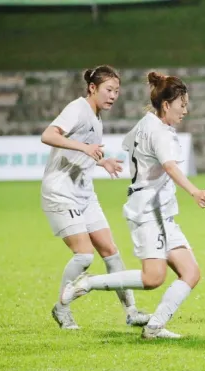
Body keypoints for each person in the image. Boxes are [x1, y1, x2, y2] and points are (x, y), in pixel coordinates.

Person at [59, 71, 205, 340]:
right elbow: (168, 165)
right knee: (153, 278)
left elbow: (130, 145)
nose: (185, 110)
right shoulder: (160, 132)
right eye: (182, 104)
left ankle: (153, 328)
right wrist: (193, 191)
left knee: (191, 272)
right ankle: (89, 282)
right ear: (166, 105)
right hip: (149, 210)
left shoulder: (146, 123)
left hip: (159, 209)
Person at [41, 65, 150, 330]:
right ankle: (62, 308)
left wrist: (102, 162)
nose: (113, 96)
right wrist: (86, 148)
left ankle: (132, 311)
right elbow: (48, 135)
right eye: (108, 90)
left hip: (84, 193)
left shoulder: (96, 116)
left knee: (111, 251)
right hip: (61, 192)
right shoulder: (77, 108)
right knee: (84, 256)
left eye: (117, 91)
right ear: (92, 88)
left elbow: (82, 152)